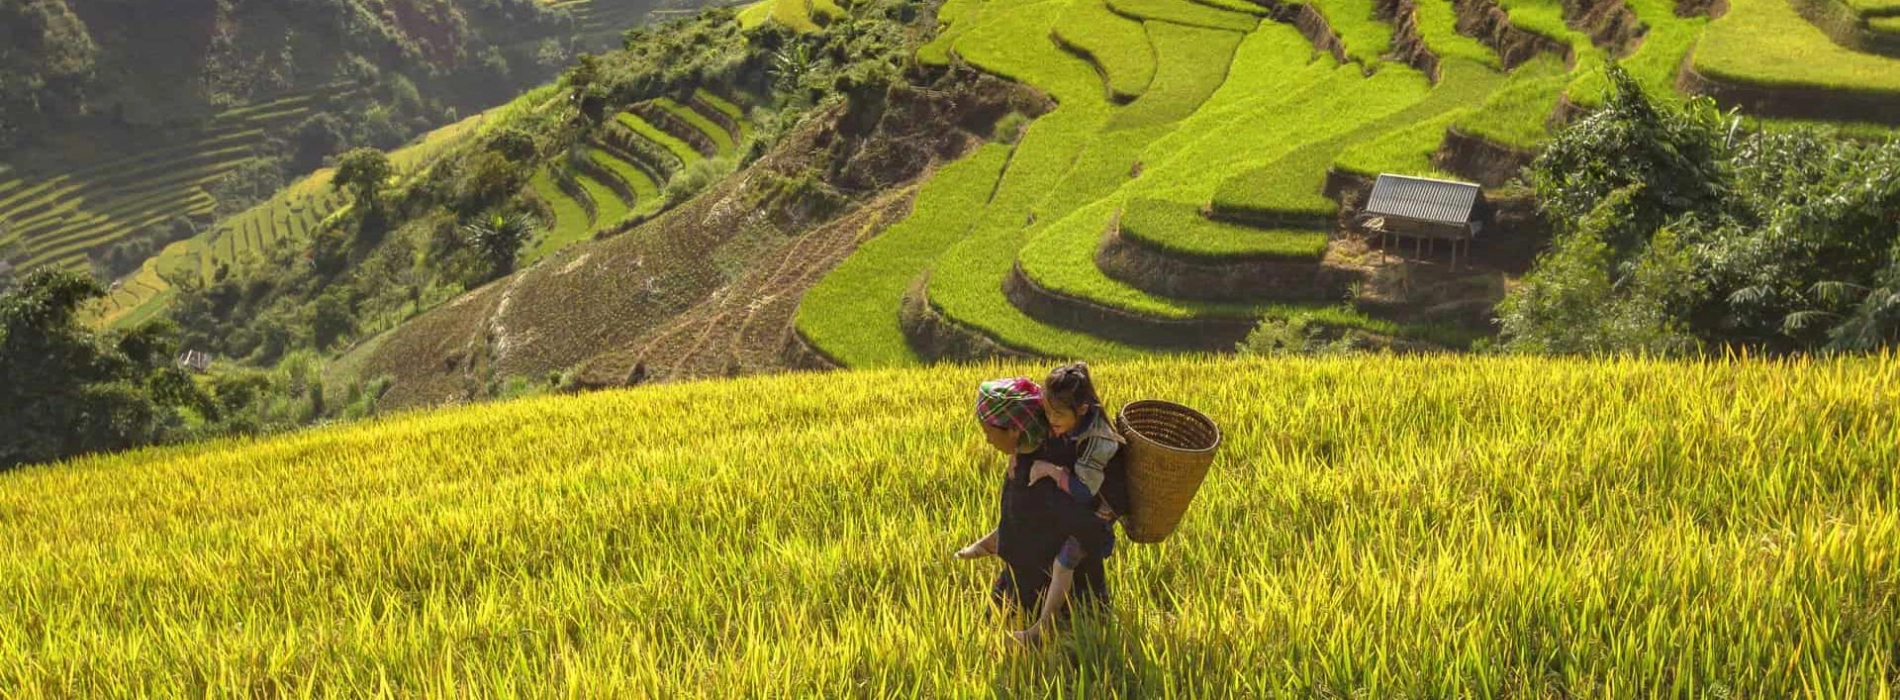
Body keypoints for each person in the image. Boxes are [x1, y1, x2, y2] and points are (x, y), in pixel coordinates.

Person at [959, 366, 1128, 645]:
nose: (1050, 420)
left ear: (1082, 409)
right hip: (1067, 511)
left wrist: (1052, 471)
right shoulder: (1053, 423)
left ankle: (1042, 628)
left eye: (1057, 415)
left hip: (1092, 517)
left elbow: (1084, 492)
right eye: (1047, 413)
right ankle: (997, 538)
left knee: (1064, 565)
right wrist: (1017, 454)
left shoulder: (1095, 441)